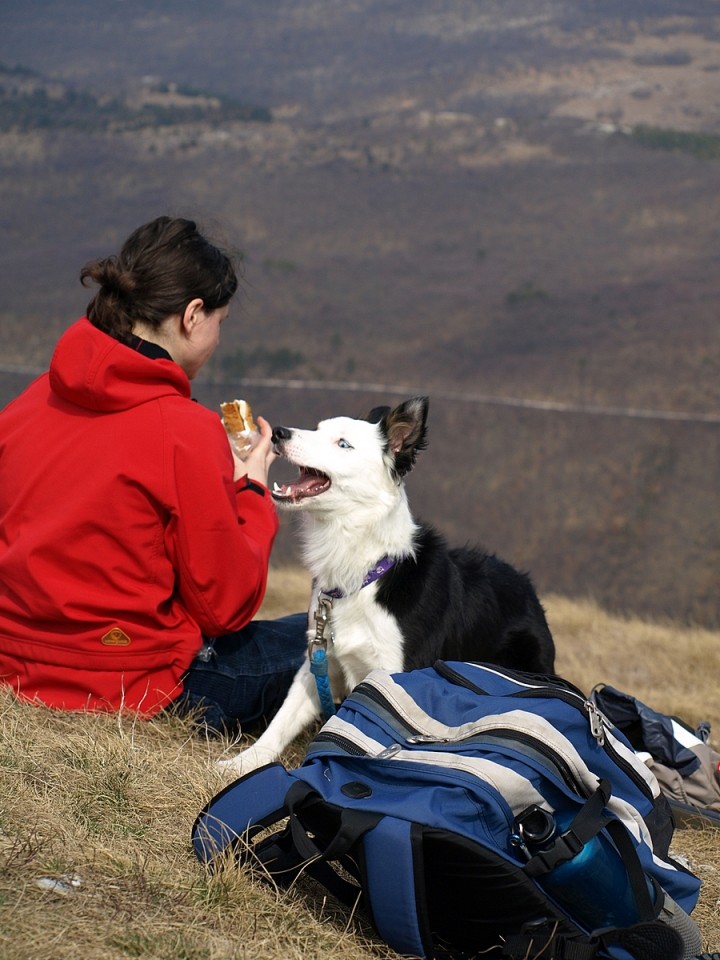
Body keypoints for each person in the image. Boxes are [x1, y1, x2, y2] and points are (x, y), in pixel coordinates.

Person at [0, 215, 307, 733]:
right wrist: (249, 488)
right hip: (131, 681)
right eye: (219, 322)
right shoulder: (183, 432)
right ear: (192, 315)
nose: (216, 338)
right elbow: (224, 607)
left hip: (18, 664)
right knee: (340, 638)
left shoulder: (27, 404)